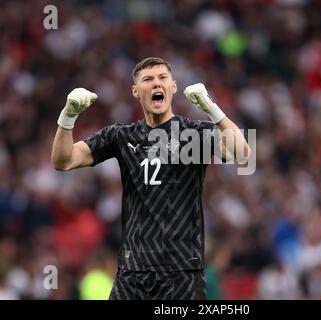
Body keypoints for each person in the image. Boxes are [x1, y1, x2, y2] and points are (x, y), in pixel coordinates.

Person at [51, 57, 250, 300]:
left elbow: (242, 154)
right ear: (136, 91)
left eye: (162, 78)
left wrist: (212, 109)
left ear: (173, 87)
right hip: (132, 272)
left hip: (182, 273)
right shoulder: (121, 136)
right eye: (148, 79)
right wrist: (68, 116)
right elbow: (63, 160)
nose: (156, 84)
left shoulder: (194, 133)